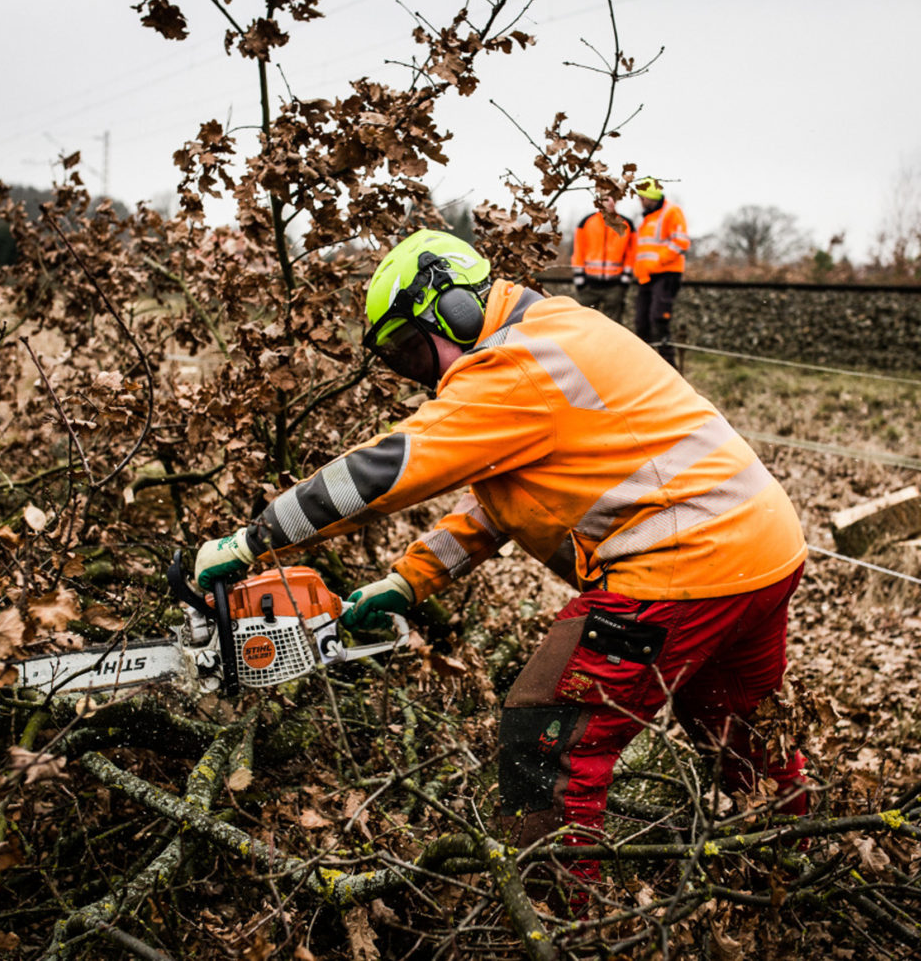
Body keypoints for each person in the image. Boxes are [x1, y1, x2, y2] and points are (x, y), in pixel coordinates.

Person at [194, 228, 809, 911]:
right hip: (762, 554)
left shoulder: (514, 366)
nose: (415, 373)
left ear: (450, 310)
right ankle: (803, 866)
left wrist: (257, 538)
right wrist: (410, 579)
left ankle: (569, 924)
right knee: (740, 731)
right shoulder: (548, 333)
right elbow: (500, 505)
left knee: (545, 744)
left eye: (407, 350)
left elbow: (385, 471)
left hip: (683, 568)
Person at [633, 177, 689, 367]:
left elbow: (681, 241)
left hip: (666, 274)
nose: (640, 201)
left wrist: (658, 262)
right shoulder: (647, 218)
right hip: (646, 277)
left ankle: (669, 367)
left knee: (658, 320)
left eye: (643, 197)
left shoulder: (671, 212)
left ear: (651, 196)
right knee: (642, 323)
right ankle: (644, 367)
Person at [570, 196, 636, 324]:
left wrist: (624, 281)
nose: (608, 202)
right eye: (605, 199)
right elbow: (578, 252)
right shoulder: (586, 222)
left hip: (615, 285)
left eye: (611, 198)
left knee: (613, 325)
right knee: (583, 323)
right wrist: (580, 281)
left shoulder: (626, 224)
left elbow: (631, 254)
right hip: (589, 284)